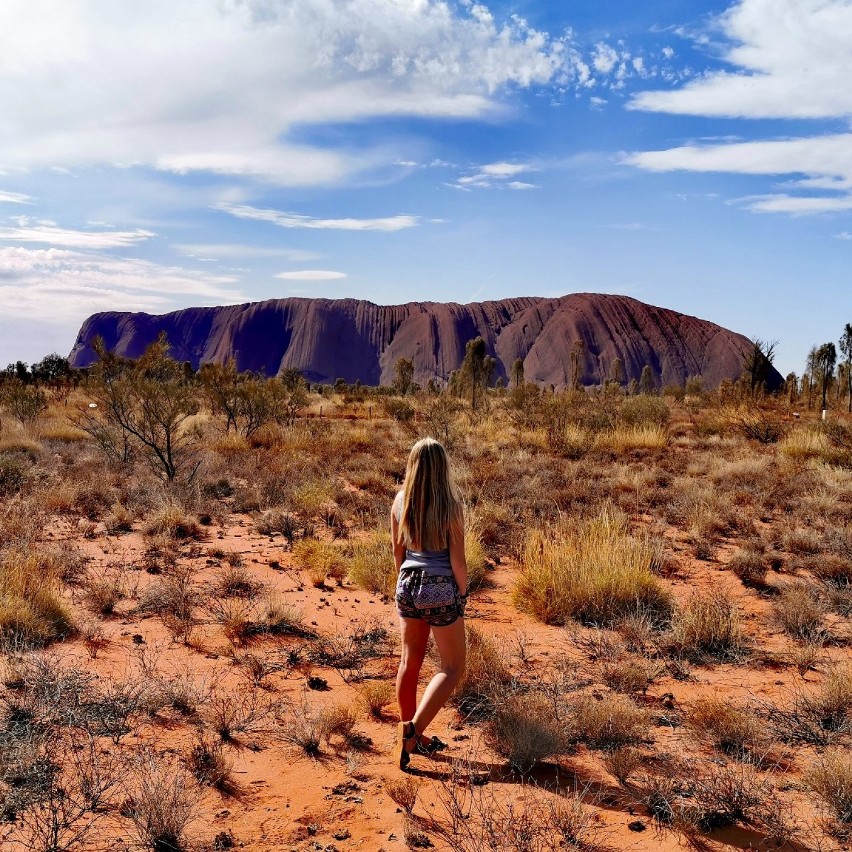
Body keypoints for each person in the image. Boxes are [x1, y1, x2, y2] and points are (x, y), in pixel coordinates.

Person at [392, 437, 467, 771]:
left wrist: (406, 586)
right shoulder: (450, 504)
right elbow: (458, 561)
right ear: (441, 467)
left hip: (407, 583)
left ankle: (408, 732)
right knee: (452, 668)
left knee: (410, 662)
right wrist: (461, 594)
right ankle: (413, 733)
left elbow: (398, 552)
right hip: (439, 587)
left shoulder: (399, 501)